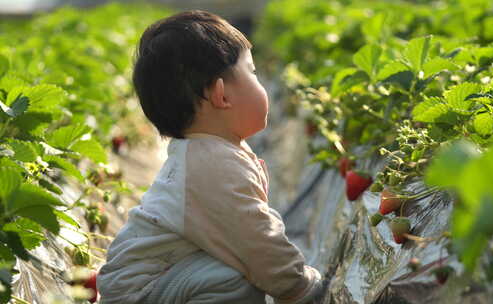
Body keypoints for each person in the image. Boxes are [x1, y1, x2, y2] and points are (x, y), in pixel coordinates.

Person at [96, 10, 324, 304]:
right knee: (231, 278)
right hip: (140, 293)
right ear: (222, 95)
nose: (260, 82)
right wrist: (299, 285)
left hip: (153, 285)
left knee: (230, 268)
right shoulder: (213, 165)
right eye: (252, 73)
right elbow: (255, 241)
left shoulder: (207, 153)